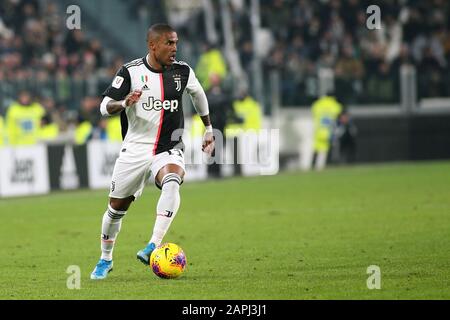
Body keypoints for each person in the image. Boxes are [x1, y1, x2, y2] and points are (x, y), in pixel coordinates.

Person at [91, 24, 214, 280]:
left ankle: (153, 245)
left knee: (172, 181)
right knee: (115, 209)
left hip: (168, 147)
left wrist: (209, 128)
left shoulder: (182, 71)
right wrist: (125, 102)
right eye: (169, 43)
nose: (174, 48)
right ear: (152, 45)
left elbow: (199, 94)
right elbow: (104, 107)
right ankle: (105, 259)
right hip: (135, 149)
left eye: (176, 42)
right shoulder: (130, 72)